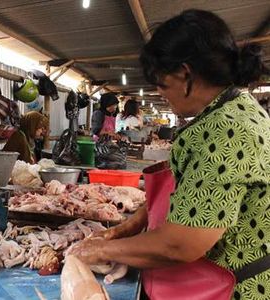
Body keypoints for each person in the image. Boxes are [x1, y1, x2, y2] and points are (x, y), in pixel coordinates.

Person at [68, 9, 269, 300]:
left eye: (162, 84)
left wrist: (102, 249)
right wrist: (123, 230)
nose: (160, 94)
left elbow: (182, 243)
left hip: (229, 288)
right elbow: (184, 193)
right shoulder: (229, 110)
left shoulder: (228, 129)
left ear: (185, 74)